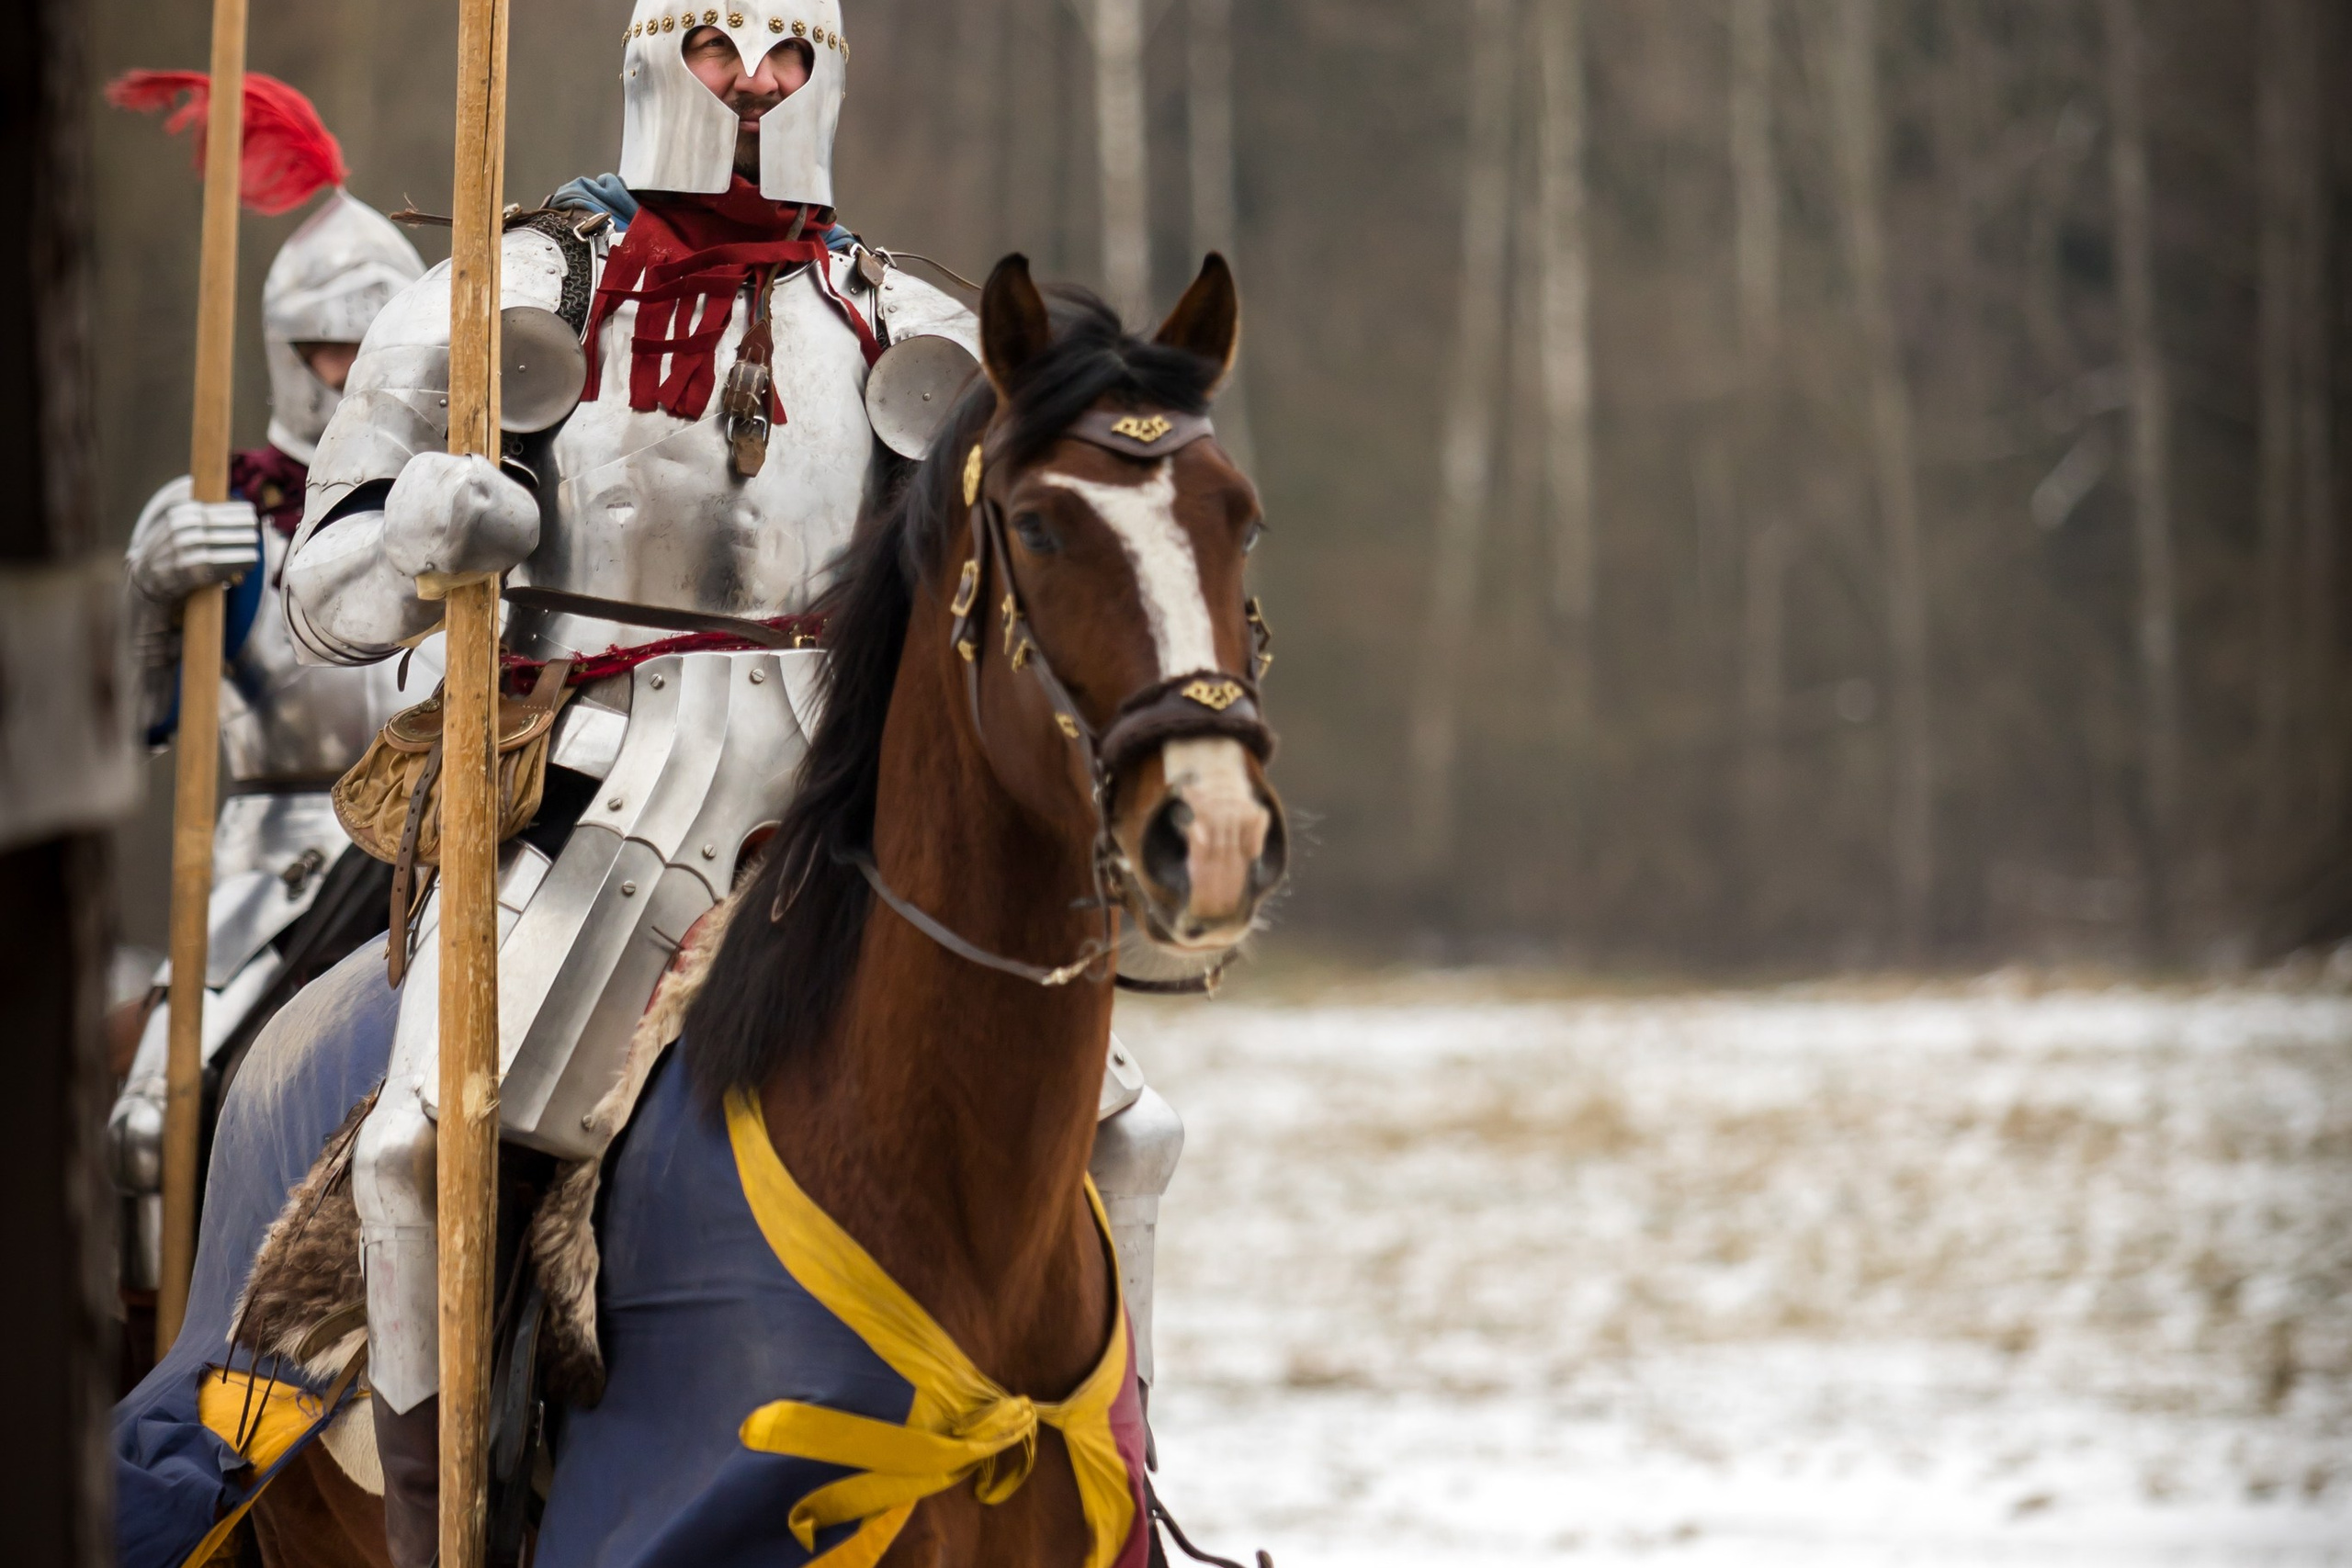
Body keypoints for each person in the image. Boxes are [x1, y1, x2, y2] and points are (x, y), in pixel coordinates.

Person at [281, 6, 1186, 1560]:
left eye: (786, 57)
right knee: (422, 1149)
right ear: (652, 58)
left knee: (1129, 1128)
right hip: (589, 793)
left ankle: (1117, 1492)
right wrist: (427, 522)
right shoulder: (497, 298)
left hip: (844, 815)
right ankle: (449, 1524)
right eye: (718, 50)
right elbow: (327, 594)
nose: (754, 88)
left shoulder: (921, 327)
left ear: (831, 69)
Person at [107, 74, 432, 1372]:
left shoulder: (456, 510)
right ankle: (150, 1379)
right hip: (266, 870)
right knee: (147, 1131)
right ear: (281, 354)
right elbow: (128, 728)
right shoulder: (223, 528)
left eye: (371, 350)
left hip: (426, 852)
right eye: (321, 353)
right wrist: (150, 602)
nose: (346, 376)